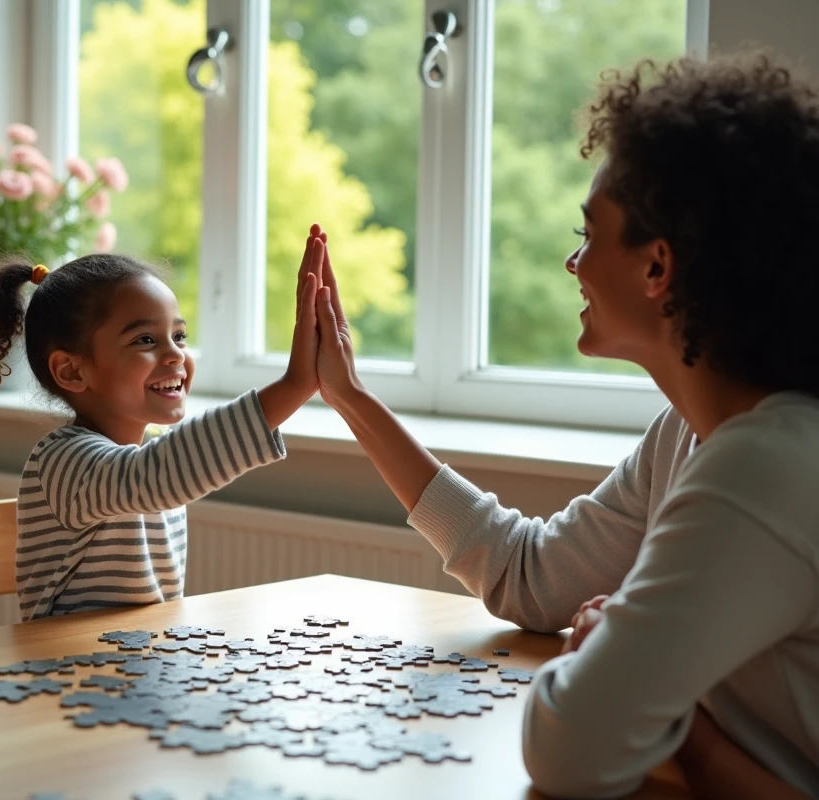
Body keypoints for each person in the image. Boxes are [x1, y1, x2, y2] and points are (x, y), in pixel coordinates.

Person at [311, 51, 819, 798]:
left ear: (658, 268)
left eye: (589, 235)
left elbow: (571, 750)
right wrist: (352, 399)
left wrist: (666, 708)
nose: (572, 263)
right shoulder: (686, 437)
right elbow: (532, 578)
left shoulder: (768, 465)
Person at [0, 227, 327, 620]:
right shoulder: (61, 463)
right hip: (68, 672)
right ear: (71, 371)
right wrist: (294, 386)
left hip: (140, 667)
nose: (175, 355)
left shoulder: (154, 454)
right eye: (145, 340)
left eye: (179, 335)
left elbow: (165, 468)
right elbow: (155, 476)